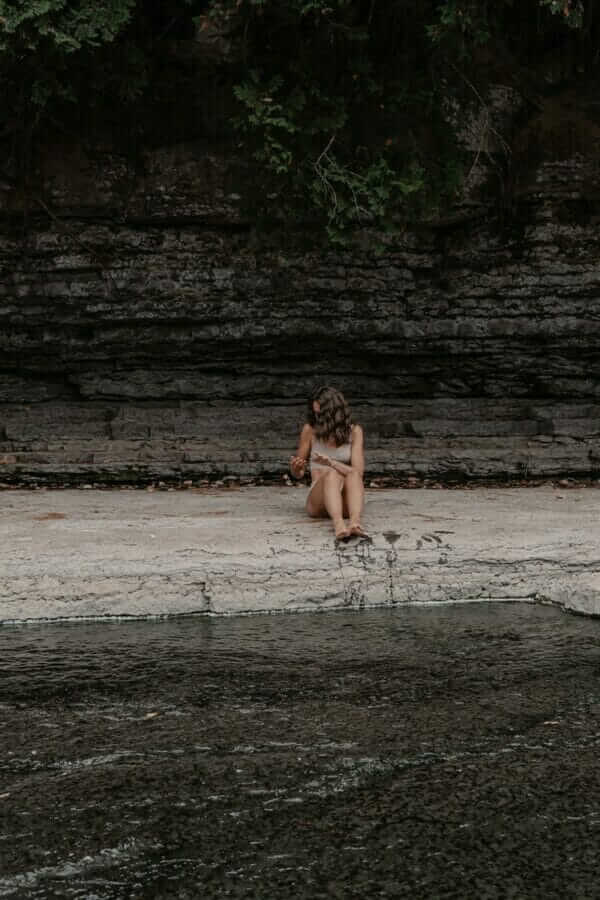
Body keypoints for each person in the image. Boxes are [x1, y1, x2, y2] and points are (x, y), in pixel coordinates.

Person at [289, 385, 369, 541]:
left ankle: (355, 523)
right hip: (318, 501)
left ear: (335, 412)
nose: (318, 418)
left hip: (346, 500)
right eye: (315, 413)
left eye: (322, 414)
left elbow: (358, 473)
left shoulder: (355, 431)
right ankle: (338, 525)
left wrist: (331, 462)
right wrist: (295, 469)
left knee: (351, 474)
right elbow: (298, 474)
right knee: (331, 474)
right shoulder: (310, 430)